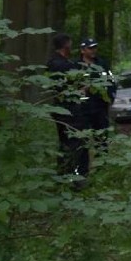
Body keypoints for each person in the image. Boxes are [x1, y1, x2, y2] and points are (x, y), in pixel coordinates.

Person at [47, 33, 87, 183]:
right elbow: (79, 88)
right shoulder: (67, 66)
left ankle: (63, 176)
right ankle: (75, 179)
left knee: (64, 143)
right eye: (70, 45)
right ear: (66, 46)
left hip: (59, 109)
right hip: (71, 110)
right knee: (75, 144)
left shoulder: (51, 63)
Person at [77, 37, 115, 153]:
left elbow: (111, 81)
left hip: (100, 107)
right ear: (83, 50)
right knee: (82, 140)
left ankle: (102, 164)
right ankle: (82, 167)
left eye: (95, 48)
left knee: (102, 137)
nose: (93, 50)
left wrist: (110, 98)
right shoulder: (75, 65)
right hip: (82, 108)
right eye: (90, 48)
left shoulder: (102, 64)